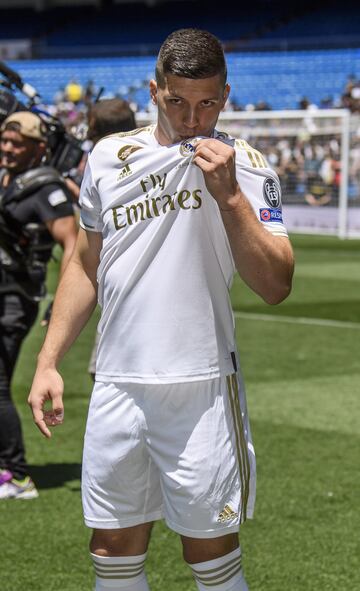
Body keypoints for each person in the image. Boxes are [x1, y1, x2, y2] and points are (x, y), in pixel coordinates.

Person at [28, 28, 294, 590]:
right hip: (116, 385)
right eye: (177, 101)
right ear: (154, 90)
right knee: (111, 549)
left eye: (207, 103)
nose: (193, 118)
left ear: (226, 95)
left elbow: (275, 283)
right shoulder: (106, 156)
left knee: (211, 555)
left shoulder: (246, 165)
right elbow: (83, 263)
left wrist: (230, 198)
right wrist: (49, 359)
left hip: (199, 386)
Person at [0, 111, 78, 499]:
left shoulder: (48, 188)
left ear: (38, 148)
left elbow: (72, 244)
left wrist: (59, 303)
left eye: (18, 143)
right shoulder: (7, 179)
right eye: (6, 140)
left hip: (17, 297)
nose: (8, 148)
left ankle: (16, 475)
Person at [85, 98, 137, 379]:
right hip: (121, 300)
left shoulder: (105, 169)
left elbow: (88, 248)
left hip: (122, 305)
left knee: (107, 379)